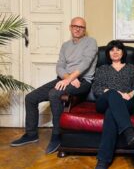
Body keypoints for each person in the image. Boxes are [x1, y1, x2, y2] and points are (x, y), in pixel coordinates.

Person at [10, 17, 98, 154]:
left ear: (85, 30)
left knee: (54, 94)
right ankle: (31, 134)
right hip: (66, 78)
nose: (77, 28)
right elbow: (60, 66)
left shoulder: (91, 42)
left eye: (81, 27)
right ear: (70, 27)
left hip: (82, 82)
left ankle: (57, 135)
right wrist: (68, 78)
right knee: (31, 97)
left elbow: (85, 64)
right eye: (75, 26)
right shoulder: (65, 45)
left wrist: (71, 78)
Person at [92, 40, 134, 169]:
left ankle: (103, 160)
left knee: (111, 113)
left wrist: (130, 94)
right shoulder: (102, 69)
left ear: (123, 52)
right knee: (112, 93)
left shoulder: (131, 68)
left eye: (118, 49)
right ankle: (128, 131)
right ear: (108, 53)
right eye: (112, 50)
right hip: (104, 101)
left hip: (126, 103)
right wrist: (113, 92)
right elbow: (96, 88)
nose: (115, 52)